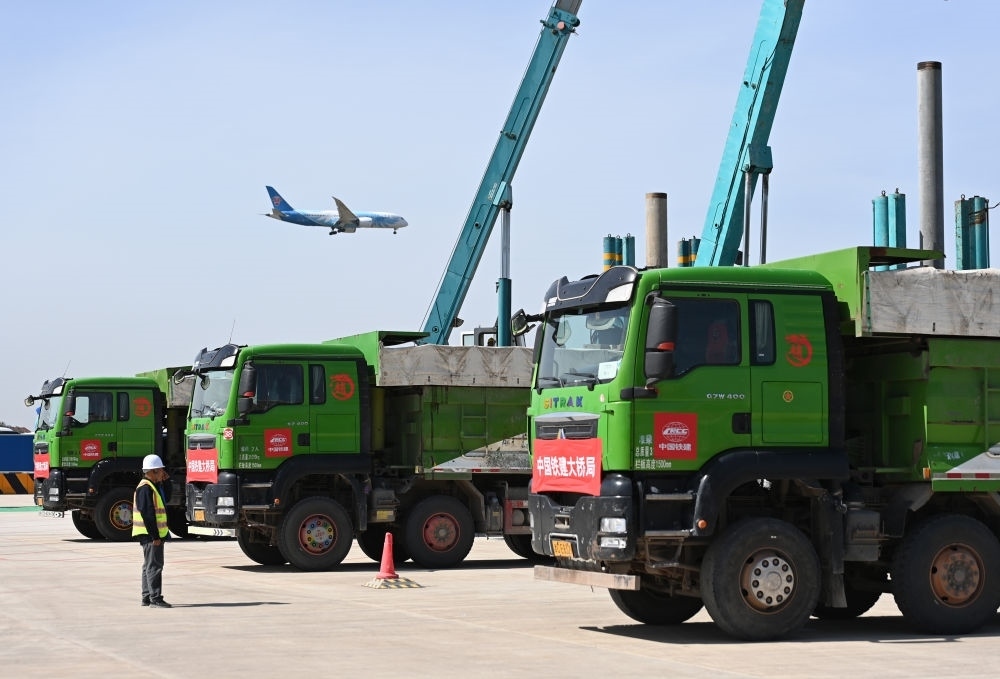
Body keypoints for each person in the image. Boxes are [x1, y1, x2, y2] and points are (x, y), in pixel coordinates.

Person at [133, 453, 172, 608]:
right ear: (154, 471)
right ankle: (155, 598)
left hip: (150, 534)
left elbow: (166, 498)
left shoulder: (153, 486)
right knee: (154, 566)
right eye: (161, 470)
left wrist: (166, 482)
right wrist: (155, 536)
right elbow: (148, 513)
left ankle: (147, 597)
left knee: (148, 566)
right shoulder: (145, 488)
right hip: (150, 534)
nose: (163, 473)